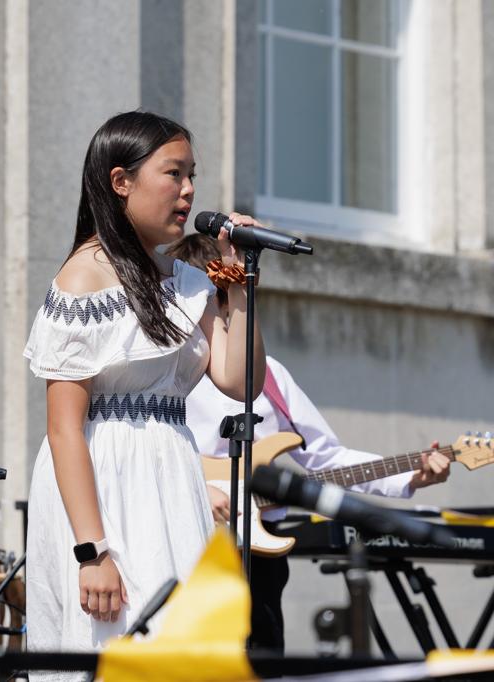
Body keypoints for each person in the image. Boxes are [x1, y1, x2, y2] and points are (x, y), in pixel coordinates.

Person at [22, 111, 266, 676]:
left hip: (171, 476)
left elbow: (240, 381)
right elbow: (63, 428)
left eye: (192, 175)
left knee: (182, 645)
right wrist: (92, 552)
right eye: (173, 173)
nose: (189, 190)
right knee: (118, 644)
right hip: (106, 484)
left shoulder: (187, 280)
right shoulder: (84, 277)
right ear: (121, 181)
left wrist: (241, 283)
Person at [168, 232, 451, 652]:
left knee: (262, 661)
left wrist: (411, 474)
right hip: (184, 542)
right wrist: (195, 488)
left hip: (259, 554)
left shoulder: (269, 374)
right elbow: (143, 451)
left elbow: (327, 459)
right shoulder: (166, 370)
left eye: (213, 299)